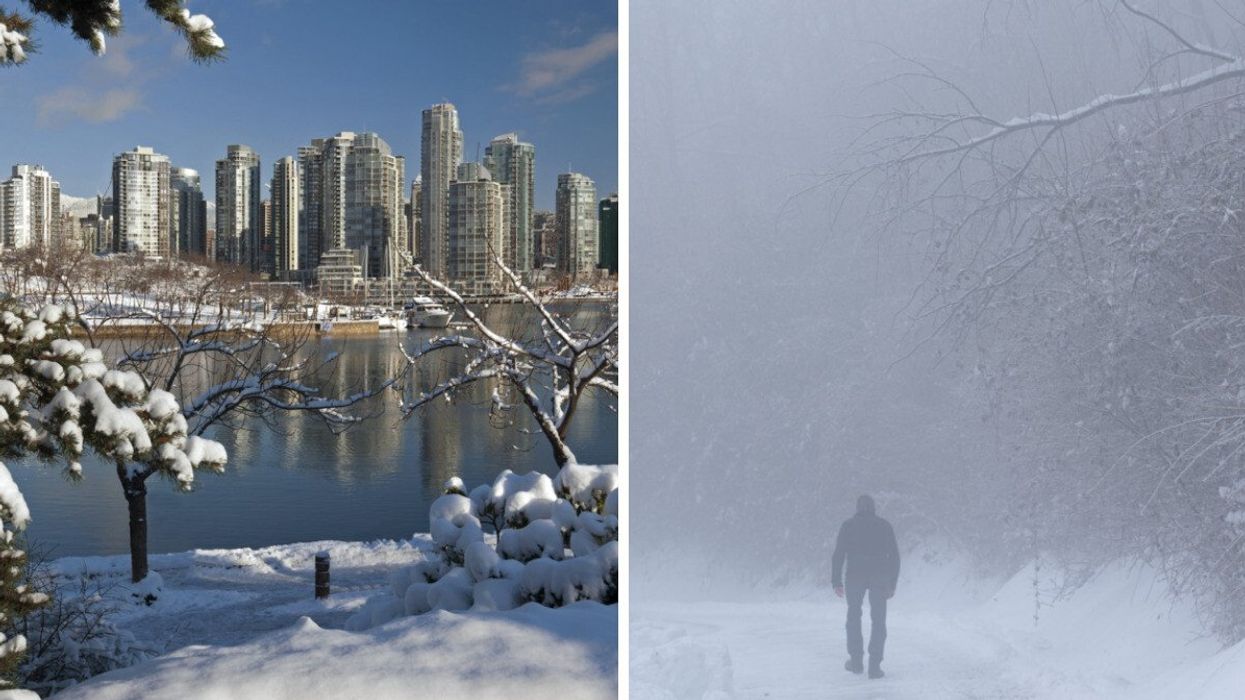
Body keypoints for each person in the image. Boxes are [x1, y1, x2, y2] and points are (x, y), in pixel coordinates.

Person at [831, 494, 900, 679]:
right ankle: (875, 666)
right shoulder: (884, 526)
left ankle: (856, 662)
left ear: (857, 508)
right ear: (874, 507)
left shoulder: (848, 526)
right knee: (879, 620)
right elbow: (894, 556)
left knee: (854, 616)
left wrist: (836, 581)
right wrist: (892, 583)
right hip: (879, 576)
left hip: (855, 575)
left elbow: (839, 554)